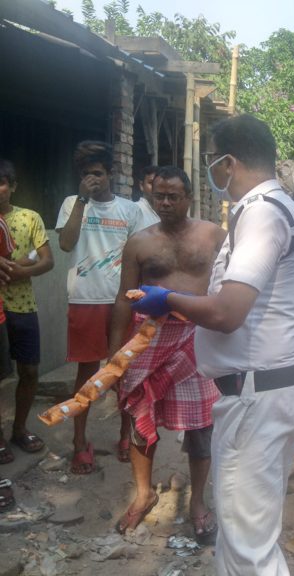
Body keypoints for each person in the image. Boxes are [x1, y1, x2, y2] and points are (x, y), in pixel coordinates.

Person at [131, 114, 294, 575]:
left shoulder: (261, 213)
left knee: (247, 547)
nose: (213, 174)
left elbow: (227, 313)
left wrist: (168, 299)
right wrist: (183, 306)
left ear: (229, 162)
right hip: (270, 389)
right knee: (251, 533)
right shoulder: (281, 209)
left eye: (214, 163)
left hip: (258, 397)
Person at [109, 166, 225, 541]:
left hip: (197, 337)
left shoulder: (214, 235)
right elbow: (124, 300)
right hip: (149, 337)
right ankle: (143, 495)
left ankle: (197, 502)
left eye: (174, 195)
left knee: (202, 424)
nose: (166, 202)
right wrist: (115, 357)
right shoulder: (139, 243)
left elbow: (231, 288)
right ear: (151, 196)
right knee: (141, 414)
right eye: (160, 195)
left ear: (188, 198)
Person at [56, 141, 148, 474]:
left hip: (122, 302)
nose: (92, 179)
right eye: (85, 175)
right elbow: (66, 243)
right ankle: (79, 443)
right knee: (86, 373)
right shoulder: (72, 203)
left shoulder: (130, 210)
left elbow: (139, 258)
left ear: (111, 173)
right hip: (85, 299)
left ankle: (125, 435)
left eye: (97, 173)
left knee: (124, 372)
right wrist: (81, 198)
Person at [0, 159, 54, 460]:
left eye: (2, 183)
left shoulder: (29, 218)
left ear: (13, 186)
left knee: (30, 370)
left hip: (22, 305)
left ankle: (19, 429)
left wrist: (21, 271)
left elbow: (47, 261)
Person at [117, 164, 161, 463]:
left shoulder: (161, 217)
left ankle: (132, 434)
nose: (165, 199)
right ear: (142, 185)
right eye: (155, 188)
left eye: (173, 195)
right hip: (132, 303)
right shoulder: (134, 213)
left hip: (158, 313)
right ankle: (126, 435)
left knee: (142, 382)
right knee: (126, 377)